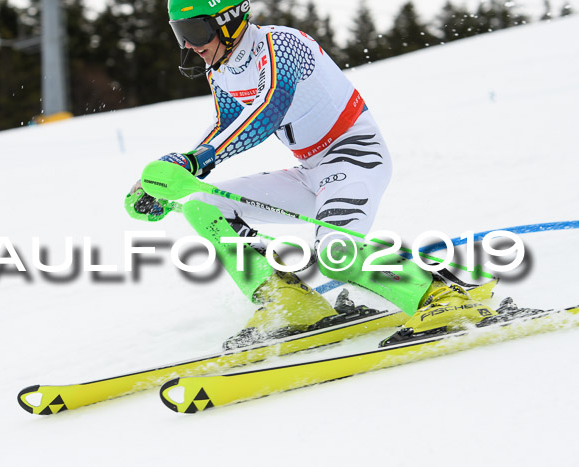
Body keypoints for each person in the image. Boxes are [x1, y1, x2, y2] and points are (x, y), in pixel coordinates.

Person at [126, 0, 498, 349]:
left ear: (229, 20)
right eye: (180, 33)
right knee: (202, 205)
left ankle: (443, 299)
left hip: (354, 155)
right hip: (310, 169)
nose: (190, 45)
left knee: (338, 255)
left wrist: (193, 161)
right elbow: (225, 125)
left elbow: (267, 109)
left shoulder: (281, 44)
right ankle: (289, 302)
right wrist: (165, 182)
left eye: (195, 31)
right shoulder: (221, 68)